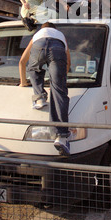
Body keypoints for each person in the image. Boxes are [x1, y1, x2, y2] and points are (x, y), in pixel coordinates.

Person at [25, 22, 71, 156]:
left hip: (38, 46)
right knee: (59, 92)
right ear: (54, 29)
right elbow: (67, 61)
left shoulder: (37, 34)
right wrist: (60, 80)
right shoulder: (60, 36)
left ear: (43, 28)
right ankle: (61, 136)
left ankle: (39, 98)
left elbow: (23, 60)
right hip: (57, 50)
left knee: (33, 69)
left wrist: (23, 81)